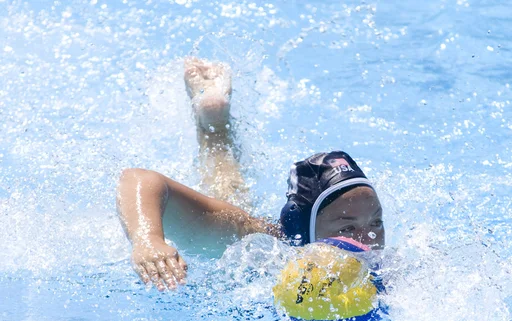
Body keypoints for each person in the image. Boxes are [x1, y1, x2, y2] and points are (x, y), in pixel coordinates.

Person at [116, 58, 385, 291]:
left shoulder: (386, 272)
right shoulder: (260, 253)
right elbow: (138, 179)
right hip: (252, 235)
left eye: (375, 223)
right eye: (347, 227)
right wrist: (147, 240)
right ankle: (214, 127)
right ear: (304, 229)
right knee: (230, 202)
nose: (368, 240)